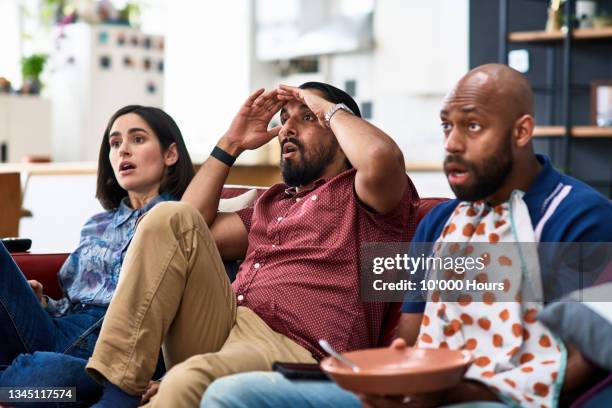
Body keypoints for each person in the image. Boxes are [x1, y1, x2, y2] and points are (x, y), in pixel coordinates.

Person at [200, 64, 612, 408]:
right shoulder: (438, 225)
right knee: (229, 394)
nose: (452, 144)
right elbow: (410, 337)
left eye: (472, 126)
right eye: (447, 127)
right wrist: (393, 374)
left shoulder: (580, 214)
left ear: (521, 133)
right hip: (426, 391)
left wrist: (463, 389)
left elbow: (587, 357)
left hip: (503, 398)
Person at [84, 82, 419, 408]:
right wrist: (232, 143)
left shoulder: (368, 198)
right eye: (284, 118)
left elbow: (379, 156)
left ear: (341, 130)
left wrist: (326, 108)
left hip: (297, 347)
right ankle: (120, 389)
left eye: (306, 117)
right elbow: (188, 228)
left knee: (185, 382)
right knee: (167, 216)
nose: (287, 128)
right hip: (227, 324)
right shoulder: (272, 203)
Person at [0, 105, 194, 406]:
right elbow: (71, 301)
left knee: (46, 377)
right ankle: (21, 376)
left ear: (171, 154)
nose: (122, 151)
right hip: (59, 330)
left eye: (137, 139)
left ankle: (20, 376)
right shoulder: (96, 224)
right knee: (41, 372)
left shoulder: (181, 218)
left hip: (117, 344)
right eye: (114, 144)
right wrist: (43, 302)